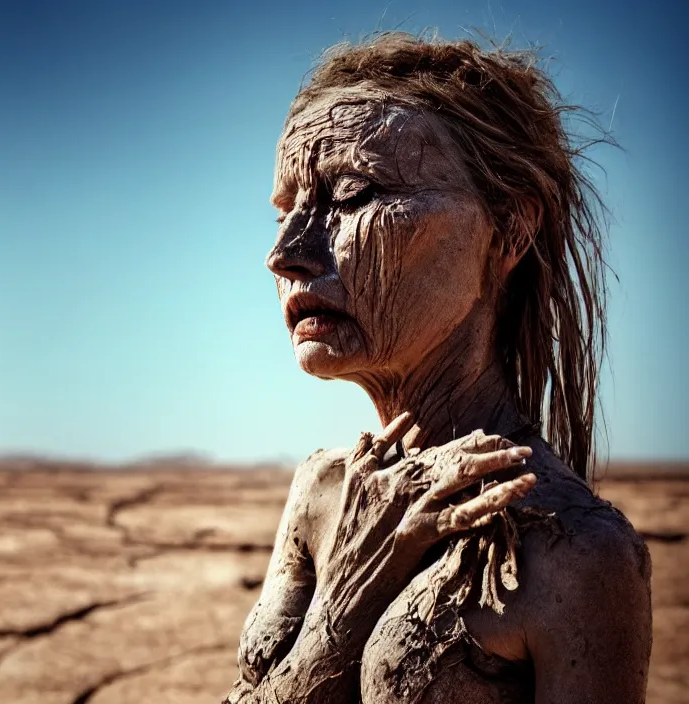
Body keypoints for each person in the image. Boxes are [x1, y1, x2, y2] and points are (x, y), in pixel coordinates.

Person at [228, 33, 651, 703]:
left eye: (351, 195)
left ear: (509, 230)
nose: (285, 254)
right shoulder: (321, 491)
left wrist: (351, 595)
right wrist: (352, 591)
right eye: (285, 210)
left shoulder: (575, 556)